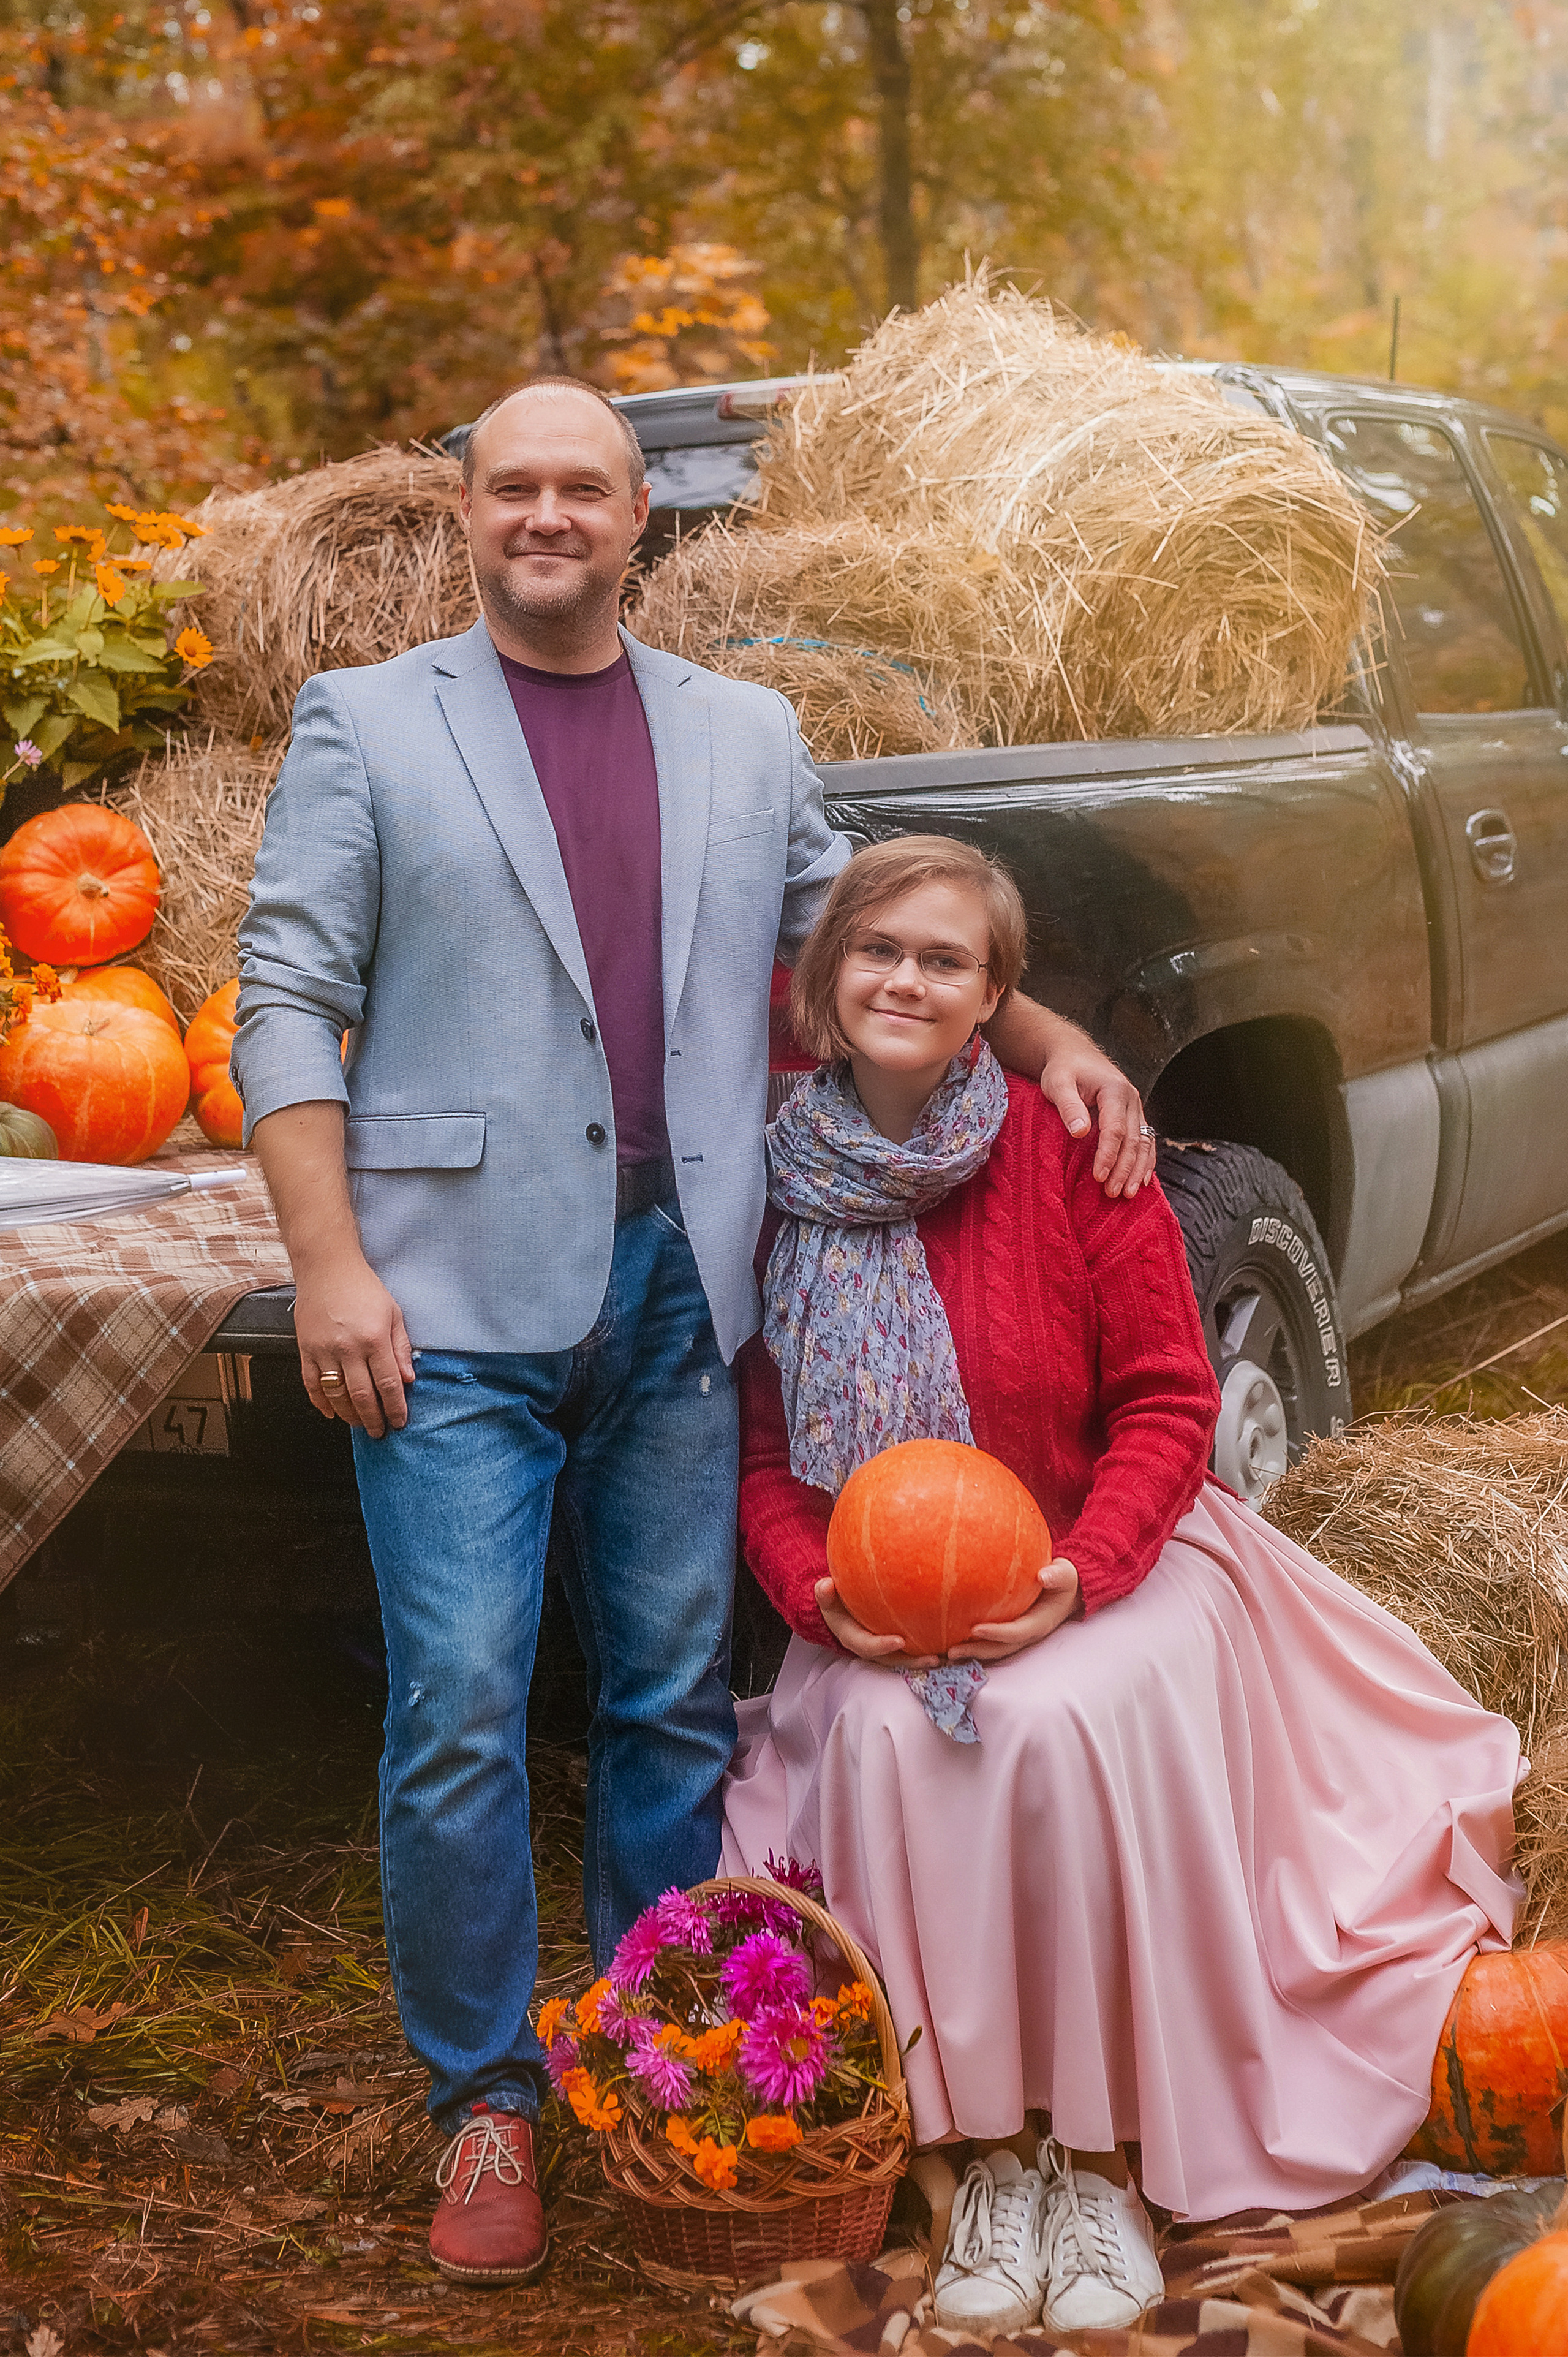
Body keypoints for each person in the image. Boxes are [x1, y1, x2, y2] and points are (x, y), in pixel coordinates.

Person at [232, 376, 1156, 2287]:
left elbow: (870, 932)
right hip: (450, 1297)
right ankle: (483, 2096)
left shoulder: (747, 729)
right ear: (465, 514)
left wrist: (1058, 1041)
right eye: (515, 489)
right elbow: (280, 995)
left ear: (644, 516)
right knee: (461, 1714)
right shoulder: (369, 722)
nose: (549, 515)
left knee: (666, 1705)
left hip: (682, 1287)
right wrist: (329, 1263)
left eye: (586, 487)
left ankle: (663, 2073)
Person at [722, 833, 1523, 2339]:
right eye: (877, 951)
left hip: (1119, 1552)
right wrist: (808, 1590)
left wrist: (1078, 1576)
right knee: (891, 1738)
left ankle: (1094, 2157)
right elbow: (765, 1456)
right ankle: (984, 2154)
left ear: (994, 996)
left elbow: (1166, 1405)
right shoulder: (777, 1187)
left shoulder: (1072, 1150)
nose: (906, 978)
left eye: (944, 959)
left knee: (1057, 1723)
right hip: (873, 1592)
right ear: (822, 986)